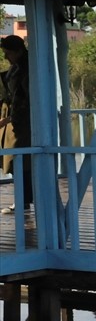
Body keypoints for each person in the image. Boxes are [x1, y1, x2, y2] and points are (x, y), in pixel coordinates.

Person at [0, 34, 32, 215]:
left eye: (8, 53)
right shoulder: (17, 68)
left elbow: (25, 99)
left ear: (19, 51)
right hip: (13, 121)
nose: (6, 57)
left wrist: (10, 118)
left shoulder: (26, 69)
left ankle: (22, 200)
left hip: (19, 122)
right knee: (15, 160)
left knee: (18, 160)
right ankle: (23, 199)